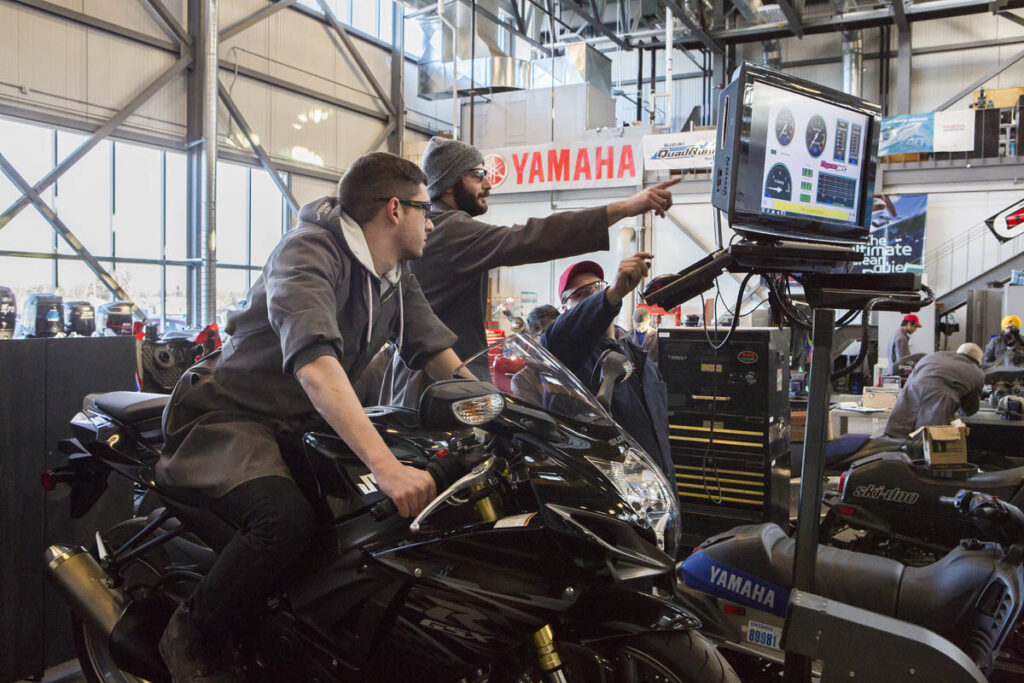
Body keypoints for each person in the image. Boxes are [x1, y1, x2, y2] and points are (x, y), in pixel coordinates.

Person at [155, 153, 467, 682]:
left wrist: (502, 411)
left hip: (300, 425)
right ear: (395, 209)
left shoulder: (393, 272)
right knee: (284, 521)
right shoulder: (307, 253)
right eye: (424, 209)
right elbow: (317, 369)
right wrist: (387, 468)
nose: (432, 222)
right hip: (229, 417)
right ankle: (190, 632)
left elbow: (437, 353)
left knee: (358, 527)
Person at [411, 135, 679, 379]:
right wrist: (625, 207)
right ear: (448, 183)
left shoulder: (430, 227)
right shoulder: (451, 229)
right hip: (443, 390)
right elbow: (533, 237)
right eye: (478, 174)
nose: (489, 184)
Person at [538, 254, 672, 478]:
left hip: (655, 490)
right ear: (565, 310)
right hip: (610, 490)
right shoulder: (565, 355)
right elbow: (560, 335)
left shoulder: (639, 357)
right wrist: (611, 294)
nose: (593, 295)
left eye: (598, 288)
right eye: (581, 295)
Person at [884, 343, 985, 439]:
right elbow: (970, 408)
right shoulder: (977, 372)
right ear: (977, 361)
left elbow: (911, 379)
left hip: (912, 391)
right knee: (929, 440)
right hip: (939, 400)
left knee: (897, 434)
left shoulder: (933, 356)